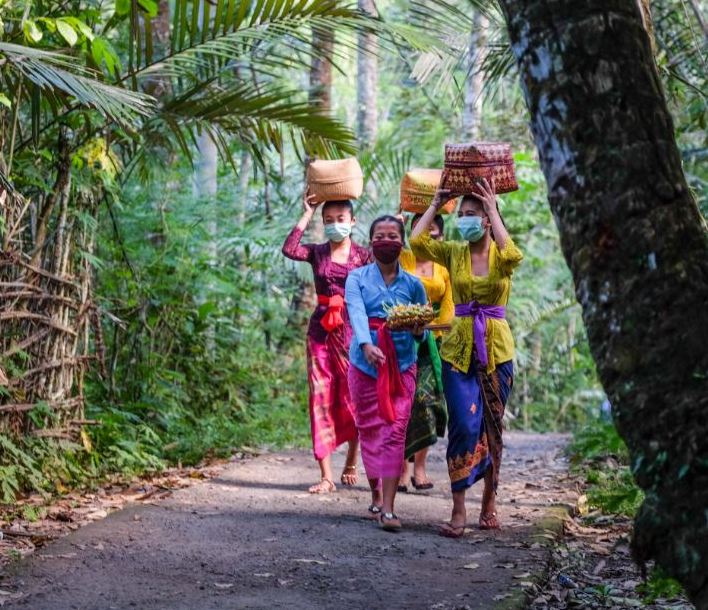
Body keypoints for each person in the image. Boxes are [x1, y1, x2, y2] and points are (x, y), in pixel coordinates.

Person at [410, 178, 523, 536]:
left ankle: (488, 502)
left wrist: (492, 208)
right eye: (463, 214)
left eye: (473, 214)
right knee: (462, 424)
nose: (466, 219)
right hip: (458, 349)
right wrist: (436, 203)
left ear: (488, 220)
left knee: (491, 428)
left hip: (497, 350)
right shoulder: (454, 252)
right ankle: (458, 511)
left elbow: (513, 256)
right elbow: (416, 242)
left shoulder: (500, 255)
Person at [281, 190, 370, 494]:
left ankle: (351, 461)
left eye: (340, 219)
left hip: (353, 333)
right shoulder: (317, 252)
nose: (335, 224)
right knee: (320, 398)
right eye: (329, 220)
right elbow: (290, 248)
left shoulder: (363, 255)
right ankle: (326, 476)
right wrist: (306, 212)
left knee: (353, 397)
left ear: (352, 221)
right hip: (320, 332)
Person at [345, 215, 428, 532]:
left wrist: (419, 330)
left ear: (402, 242)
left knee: (395, 431)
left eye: (393, 235)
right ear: (370, 242)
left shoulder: (413, 285)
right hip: (364, 366)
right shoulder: (357, 279)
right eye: (380, 235)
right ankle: (376, 492)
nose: (386, 240)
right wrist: (366, 344)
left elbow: (423, 329)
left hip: (402, 364)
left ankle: (390, 510)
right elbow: (355, 311)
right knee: (369, 429)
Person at [398, 214, 453, 492]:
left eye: (434, 233)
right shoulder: (404, 259)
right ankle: (402, 471)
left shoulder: (445, 266)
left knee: (426, 401)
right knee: (402, 403)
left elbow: (449, 308)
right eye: (422, 232)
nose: (428, 238)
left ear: (441, 238)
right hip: (401, 338)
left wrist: (431, 327)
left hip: (433, 342)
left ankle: (420, 466)